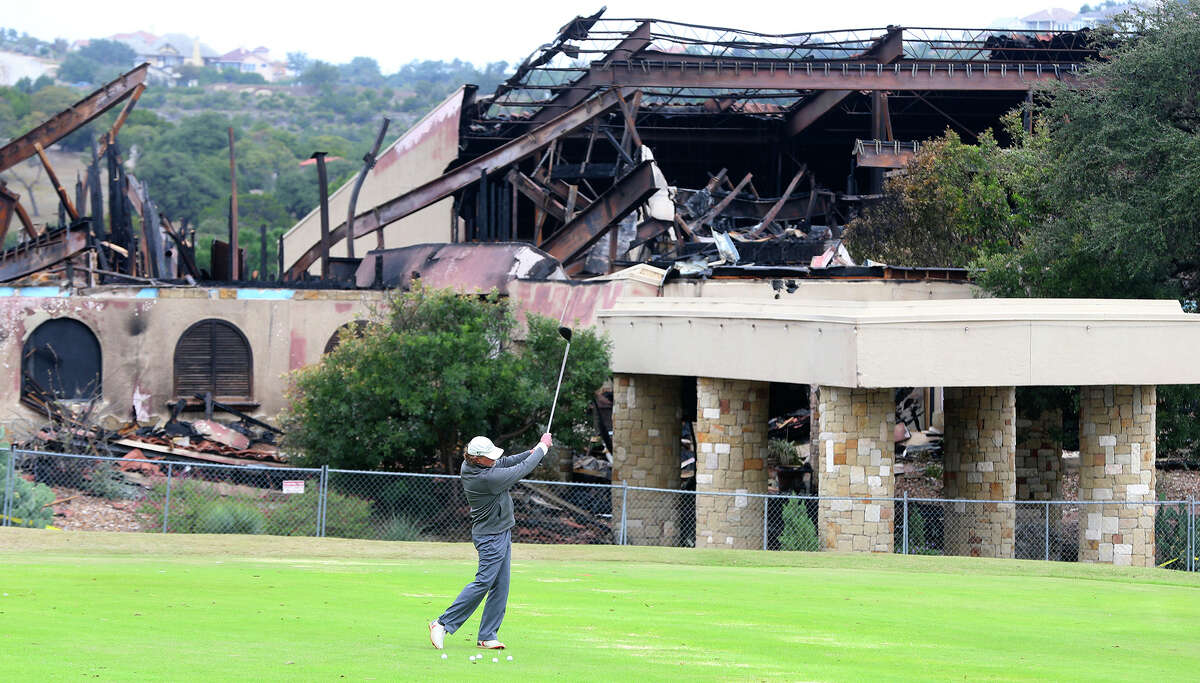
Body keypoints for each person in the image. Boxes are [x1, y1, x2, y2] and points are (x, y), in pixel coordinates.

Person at [429, 432, 553, 651]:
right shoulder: (486, 479)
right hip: (490, 537)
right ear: (477, 458)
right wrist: (542, 449)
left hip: (501, 531)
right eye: (489, 457)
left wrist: (531, 451)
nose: (494, 459)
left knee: (501, 585)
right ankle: (442, 623)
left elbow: (504, 461)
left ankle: (487, 635)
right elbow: (519, 470)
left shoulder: (477, 466)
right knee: (484, 582)